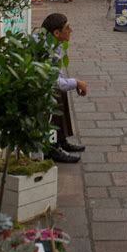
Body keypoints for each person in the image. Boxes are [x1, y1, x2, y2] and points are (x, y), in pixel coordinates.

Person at [40, 13, 87, 163]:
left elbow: (57, 75)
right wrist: (76, 83)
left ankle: (60, 140)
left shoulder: (55, 44)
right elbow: (53, 80)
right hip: (34, 86)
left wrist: (72, 83)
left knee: (61, 91)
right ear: (56, 33)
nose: (71, 30)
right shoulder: (46, 50)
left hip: (43, 82)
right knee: (55, 94)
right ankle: (51, 147)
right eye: (67, 28)